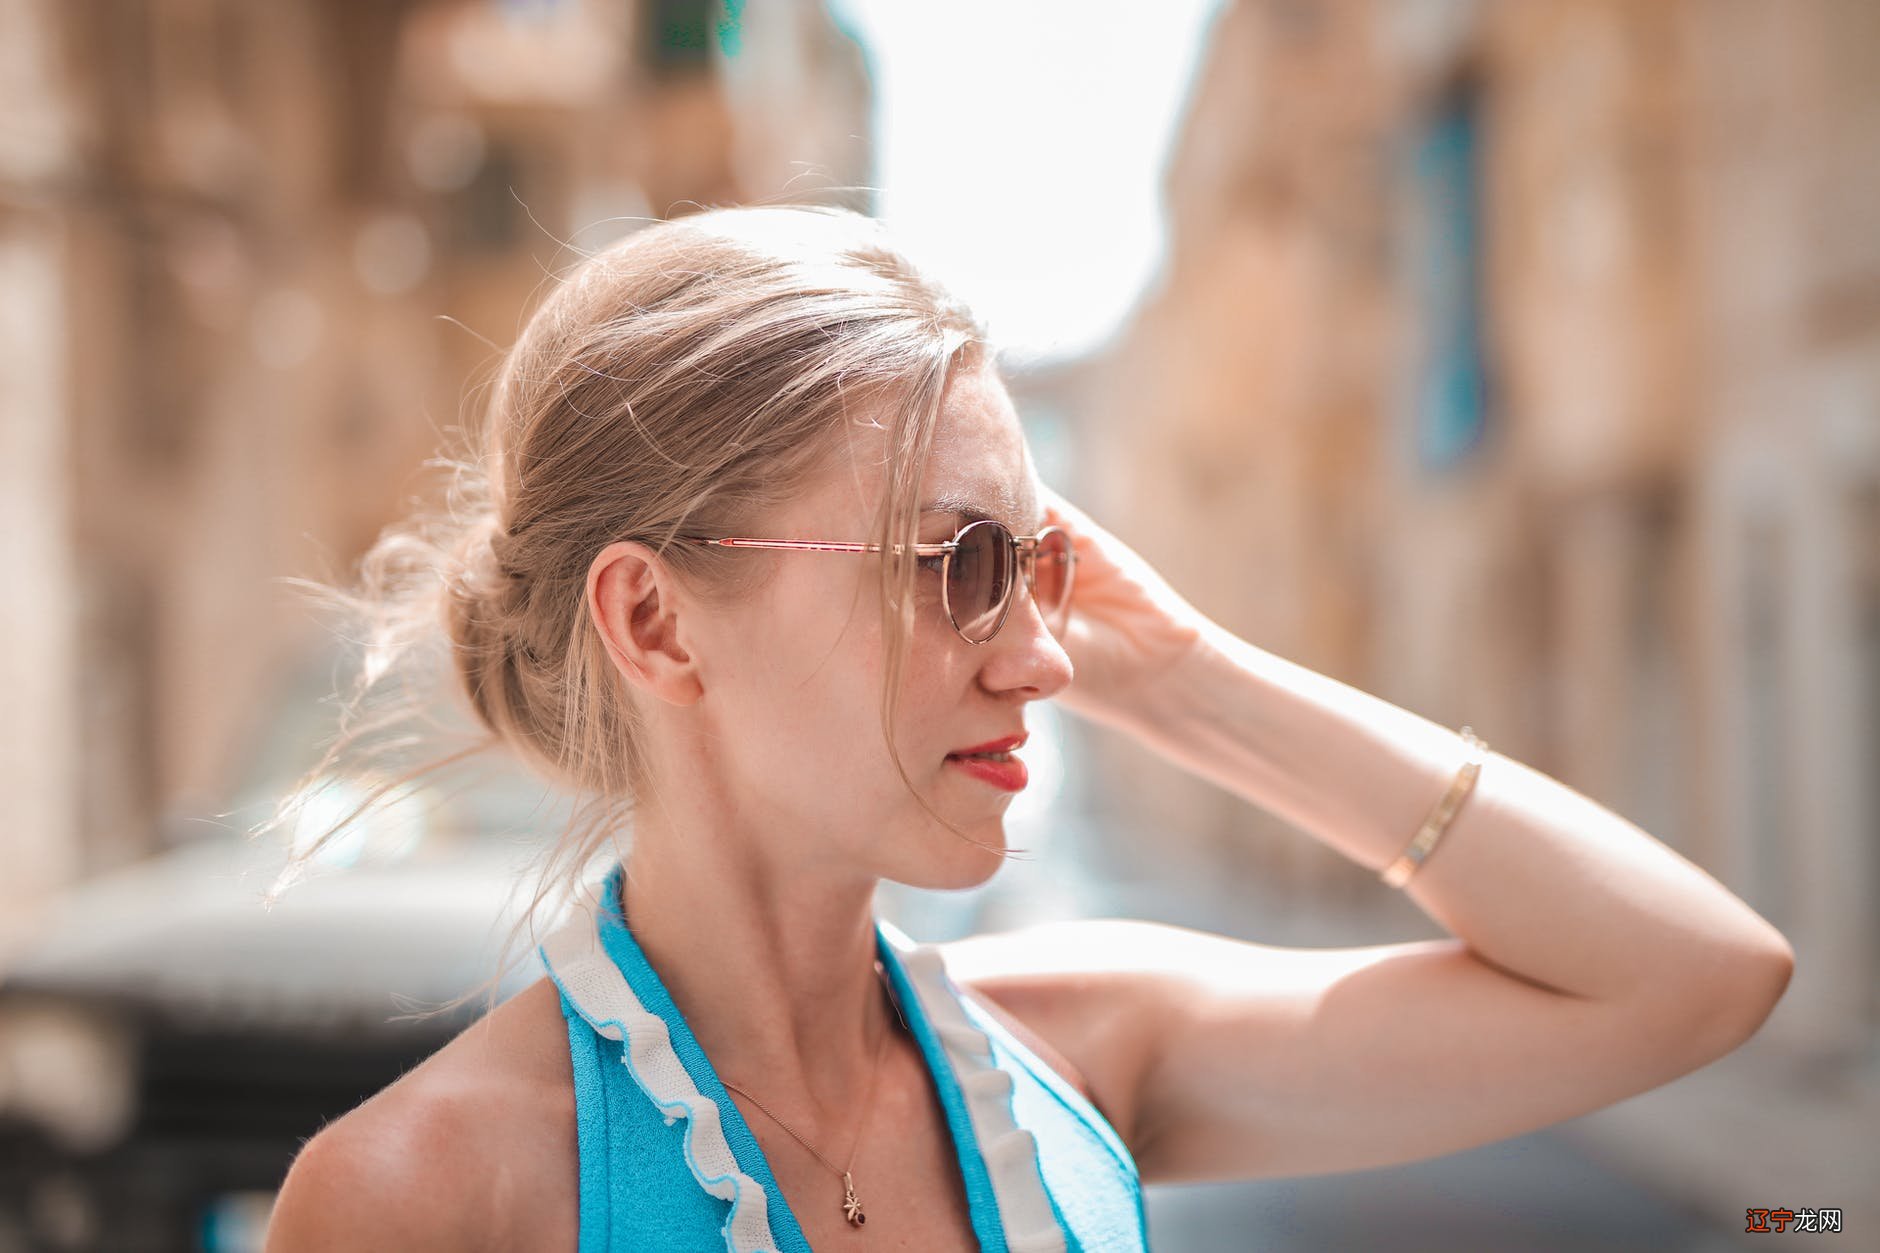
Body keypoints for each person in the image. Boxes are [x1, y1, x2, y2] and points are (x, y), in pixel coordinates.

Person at [262, 205, 1793, 1252]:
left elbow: (1693, 976)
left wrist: (1193, 674)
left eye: (1038, 561)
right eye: (961, 565)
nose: (1047, 657)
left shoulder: (1076, 1051)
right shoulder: (422, 1190)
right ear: (656, 623)